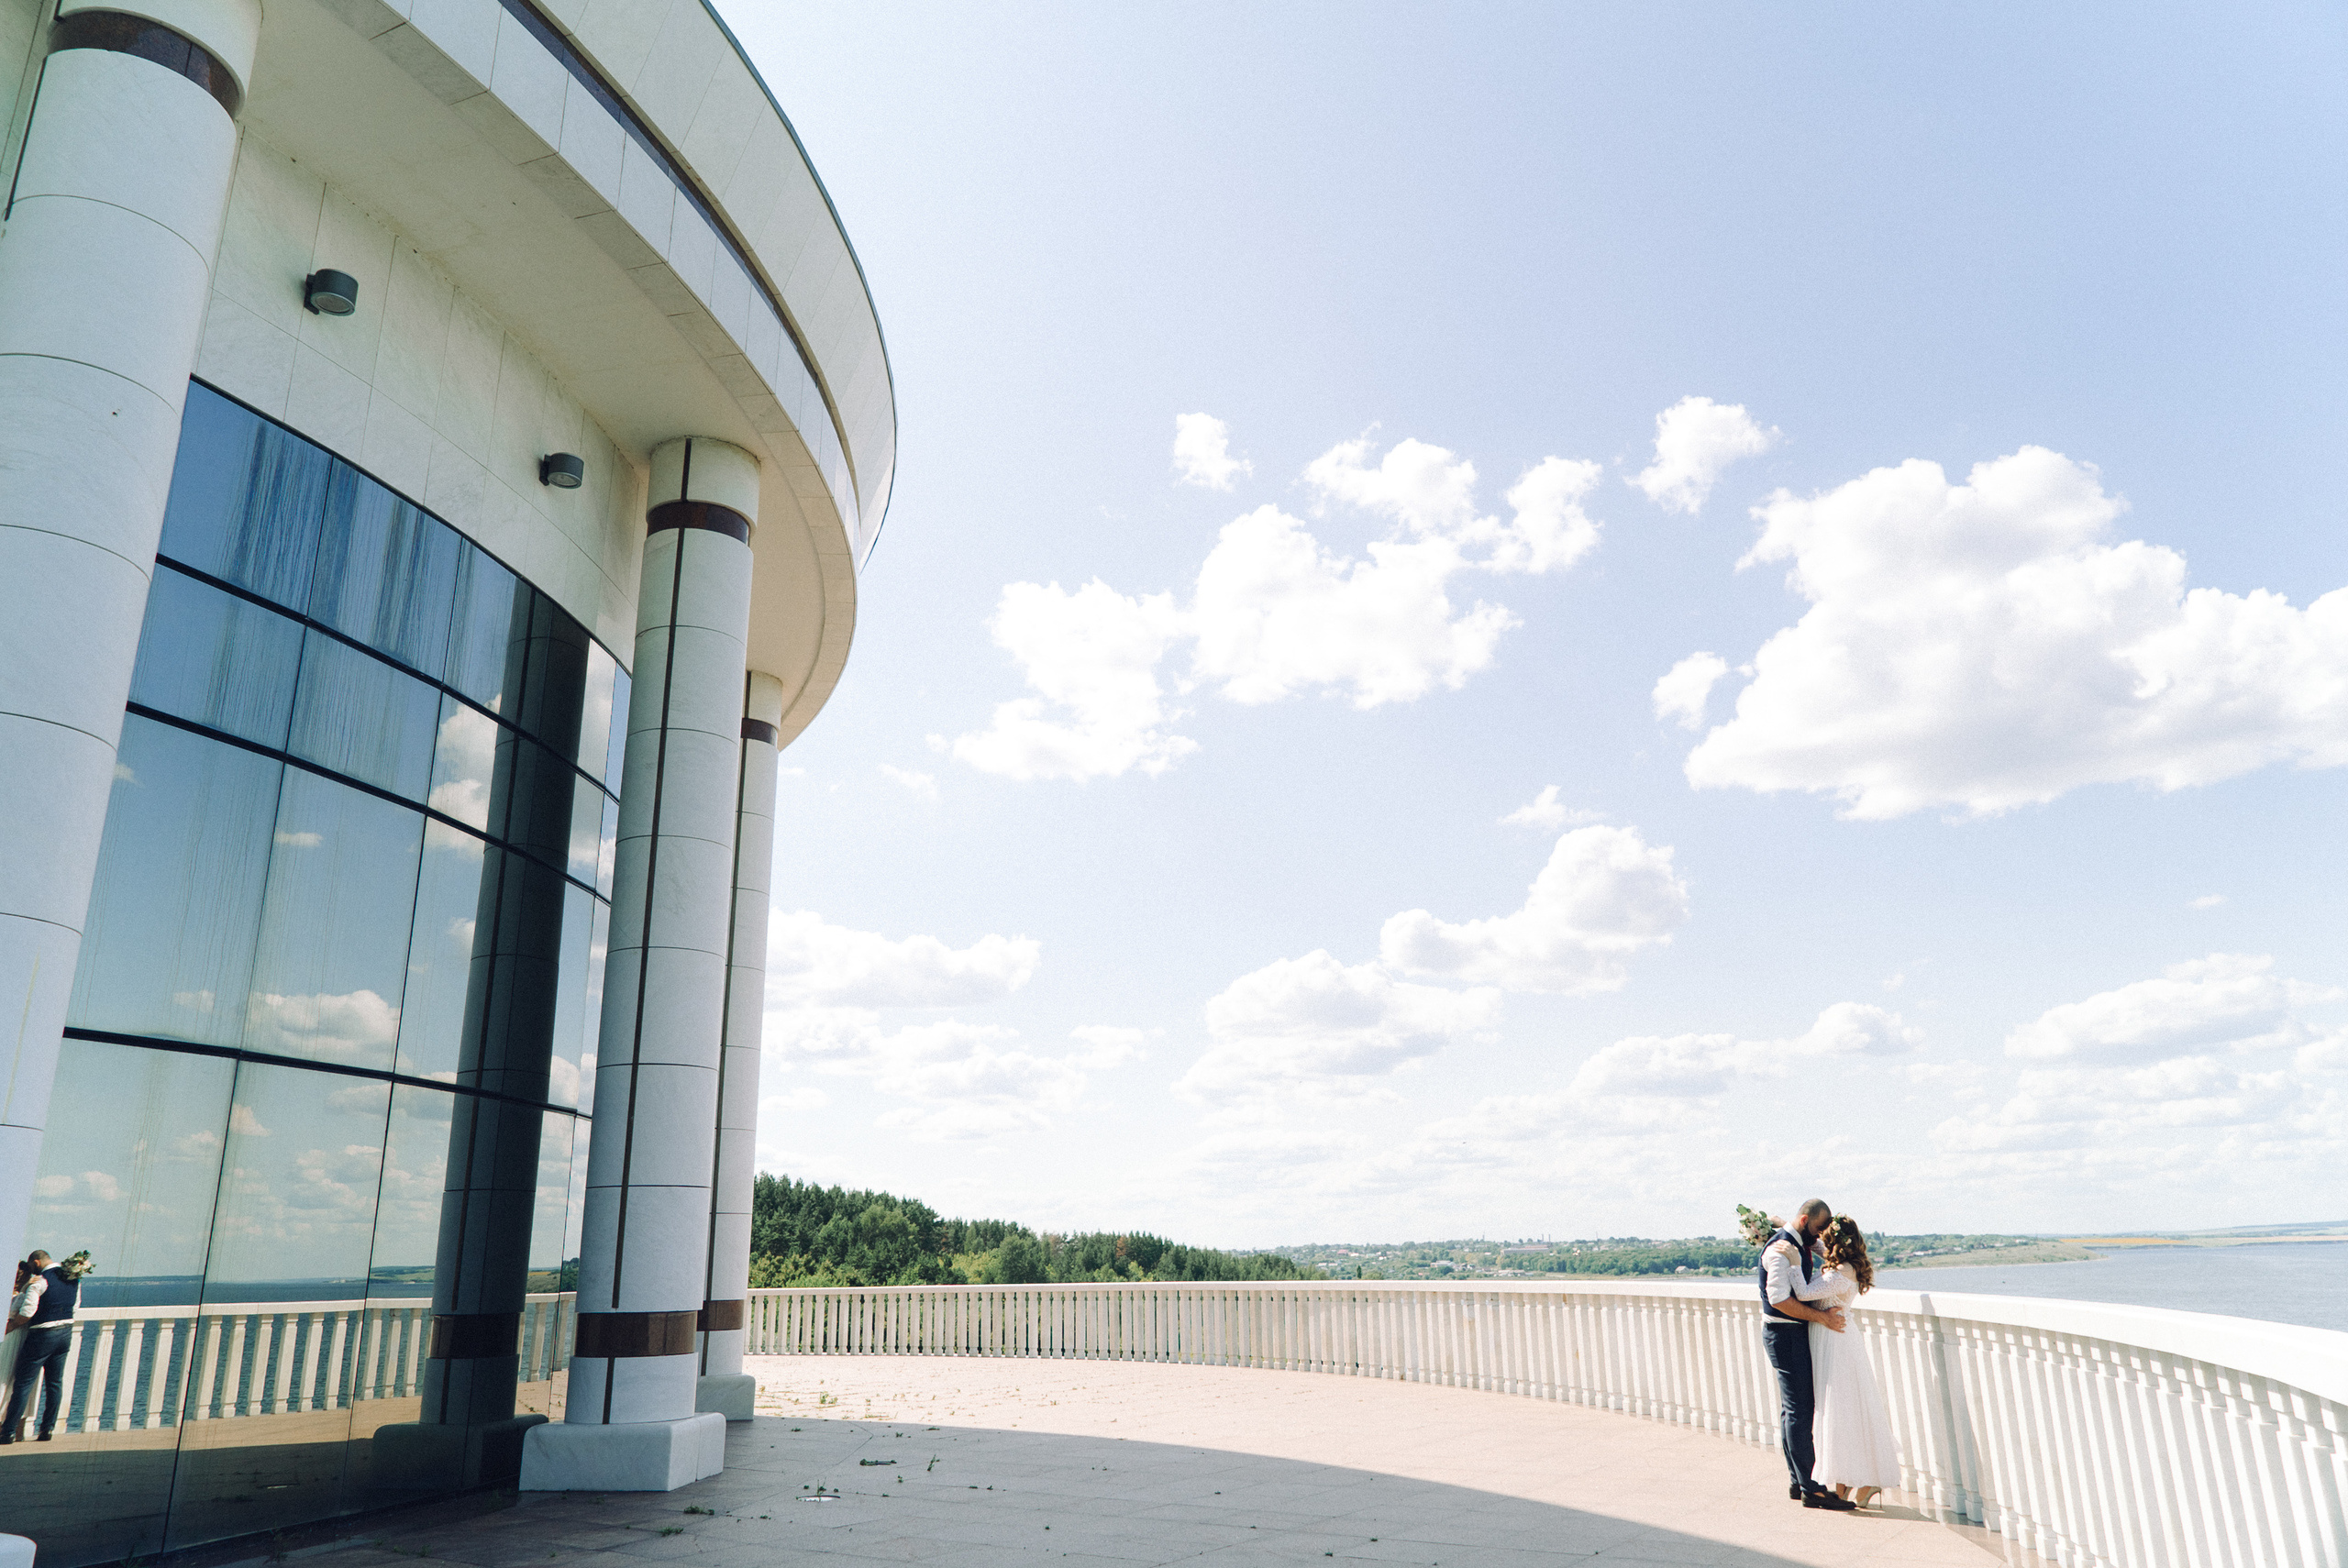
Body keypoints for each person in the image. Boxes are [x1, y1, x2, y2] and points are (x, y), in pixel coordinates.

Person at [1757, 1199, 1857, 1510]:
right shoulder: (1780, 1251)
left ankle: (1798, 1480)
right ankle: (1811, 1488)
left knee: (1794, 1410)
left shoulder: (1799, 1243)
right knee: (1800, 1410)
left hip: (1792, 1334)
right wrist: (1823, 1318)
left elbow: (1830, 1253)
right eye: (1818, 1228)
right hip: (1784, 1335)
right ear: (1804, 1220)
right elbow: (1779, 1300)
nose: (1821, 1235)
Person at [1809, 1216, 1901, 1508]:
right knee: (1840, 1412)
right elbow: (1820, 1249)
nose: (1822, 1241)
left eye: (1825, 1236)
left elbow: (1804, 1293)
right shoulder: (1843, 1265)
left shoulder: (1842, 1271)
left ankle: (1854, 1480)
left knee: (1841, 1411)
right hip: (1834, 1339)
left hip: (1836, 1343)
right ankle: (1844, 1480)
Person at [3, 1249, 88, 1444]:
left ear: (37, 1262)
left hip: (42, 1335)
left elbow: (27, 1312)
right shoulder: (72, 1278)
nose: (31, 1271)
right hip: (65, 1332)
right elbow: (75, 1307)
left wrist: (13, 1325)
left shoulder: (40, 1281)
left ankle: (7, 1432)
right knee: (55, 1383)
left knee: (23, 1383)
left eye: (32, 1266)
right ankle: (47, 1429)